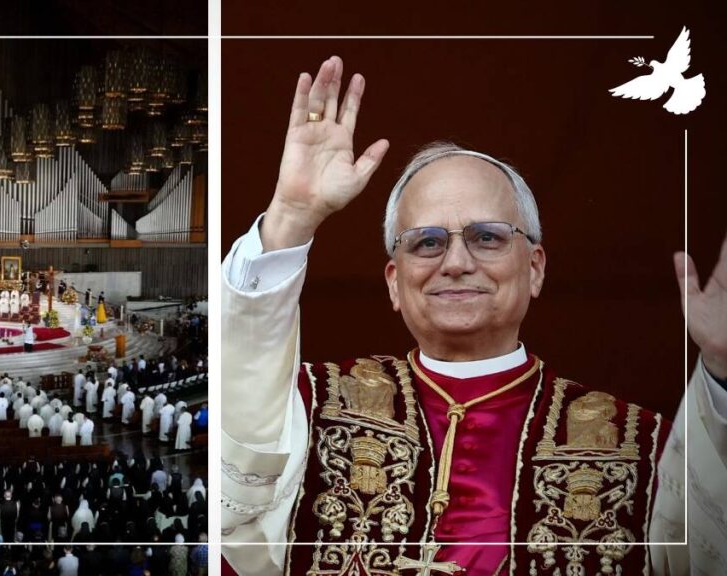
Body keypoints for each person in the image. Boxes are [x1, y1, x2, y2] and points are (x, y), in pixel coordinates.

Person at [220, 56, 727, 576]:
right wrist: (291, 216)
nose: (457, 263)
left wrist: (721, 374)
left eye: (487, 237)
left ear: (534, 268)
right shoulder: (309, 409)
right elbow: (234, 495)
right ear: (395, 282)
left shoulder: (638, 446)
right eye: (428, 242)